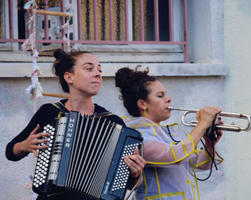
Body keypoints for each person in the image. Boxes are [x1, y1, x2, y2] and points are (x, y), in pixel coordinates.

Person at [5, 49, 146, 200]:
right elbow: (10, 152)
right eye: (89, 68)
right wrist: (24, 146)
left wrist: (136, 174)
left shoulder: (113, 122)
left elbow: (133, 184)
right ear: (69, 77)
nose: (98, 74)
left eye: (99, 70)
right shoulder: (49, 112)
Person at [115, 66, 223, 200]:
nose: (169, 99)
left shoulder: (167, 133)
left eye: (166, 94)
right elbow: (175, 157)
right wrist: (202, 125)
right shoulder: (136, 136)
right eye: (160, 96)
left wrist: (209, 144)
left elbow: (200, 165)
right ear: (143, 104)